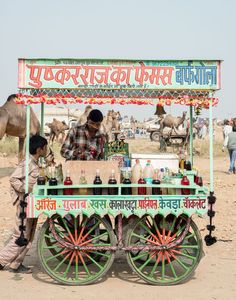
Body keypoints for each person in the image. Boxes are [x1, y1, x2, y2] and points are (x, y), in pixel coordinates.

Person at [0, 135, 51, 273]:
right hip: (24, 204)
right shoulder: (27, 163)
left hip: (32, 204)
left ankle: (16, 264)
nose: (46, 150)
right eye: (45, 147)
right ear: (40, 149)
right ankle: (1, 260)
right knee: (20, 236)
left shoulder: (35, 163)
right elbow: (13, 179)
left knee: (29, 235)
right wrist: (24, 189)